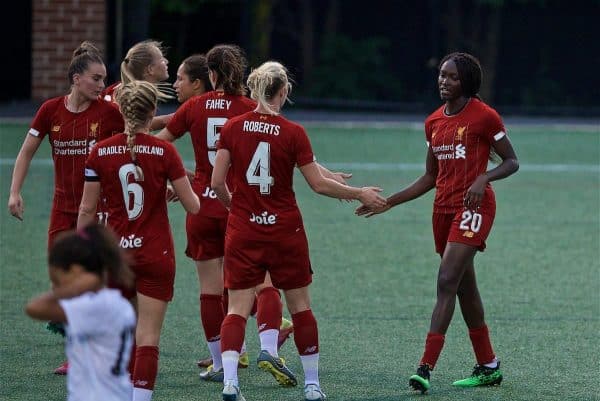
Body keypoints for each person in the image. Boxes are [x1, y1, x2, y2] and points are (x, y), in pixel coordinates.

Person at [211, 60, 387, 401]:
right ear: (284, 92)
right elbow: (318, 184)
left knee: (236, 308)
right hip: (284, 231)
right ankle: (312, 385)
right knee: (301, 307)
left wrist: (238, 210)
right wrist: (358, 193)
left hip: (244, 230)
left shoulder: (232, 128)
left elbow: (218, 182)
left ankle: (230, 383)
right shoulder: (293, 132)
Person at [356, 52, 519, 393]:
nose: (444, 81)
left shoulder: (485, 116)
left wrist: (483, 179)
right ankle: (489, 366)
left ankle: (424, 368)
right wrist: (389, 202)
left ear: (467, 83)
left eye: (452, 77)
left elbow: (512, 161)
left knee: (446, 279)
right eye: (442, 75)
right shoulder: (433, 122)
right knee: (463, 287)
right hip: (442, 211)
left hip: (474, 208)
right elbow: (430, 176)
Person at [156, 44, 301, 385]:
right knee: (263, 283)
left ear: (211, 75)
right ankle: (270, 344)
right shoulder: (250, 107)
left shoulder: (194, 106)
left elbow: (160, 146)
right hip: (240, 208)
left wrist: (181, 181)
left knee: (210, 290)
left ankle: (222, 363)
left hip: (203, 206)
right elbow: (288, 147)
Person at [77, 80, 200, 401]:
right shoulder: (165, 150)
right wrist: (168, 189)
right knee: (148, 338)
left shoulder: (100, 151)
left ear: (120, 110)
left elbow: (87, 209)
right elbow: (194, 206)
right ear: (153, 112)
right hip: (156, 253)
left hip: (116, 256)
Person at [8, 40, 125, 374]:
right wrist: (14, 192)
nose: (102, 86)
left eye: (104, 79)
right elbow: (27, 150)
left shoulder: (109, 113)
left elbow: (139, 134)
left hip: (98, 211)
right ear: (76, 78)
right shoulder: (50, 110)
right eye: (96, 78)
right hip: (62, 209)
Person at [25, 223, 136, 401]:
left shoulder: (90, 308)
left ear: (77, 271)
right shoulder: (119, 303)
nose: (57, 285)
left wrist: (73, 289)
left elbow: (34, 308)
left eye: (59, 277)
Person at [102, 40, 173, 130]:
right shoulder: (135, 94)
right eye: (162, 59)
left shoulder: (120, 87)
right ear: (150, 69)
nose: (167, 61)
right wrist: (184, 114)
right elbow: (133, 126)